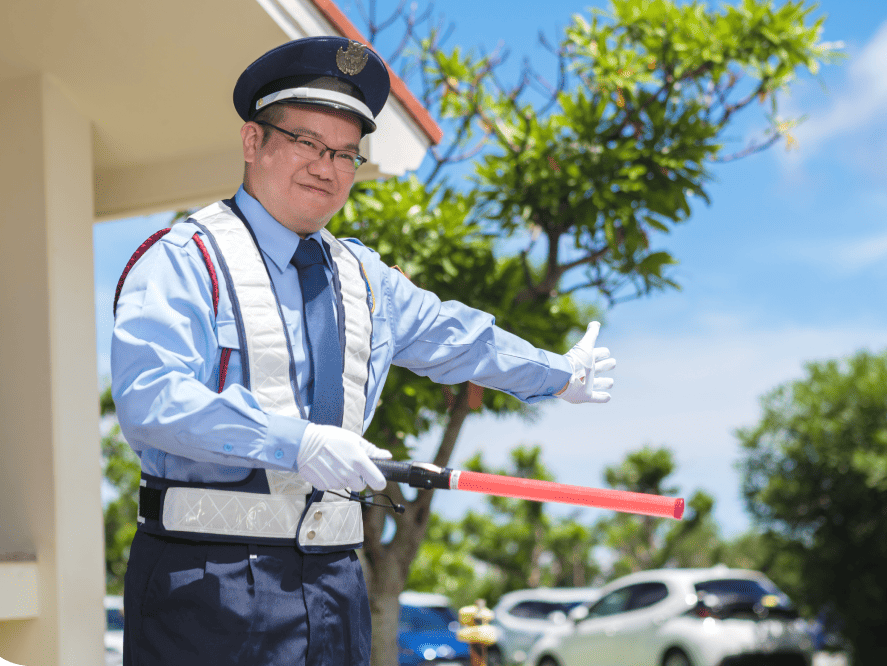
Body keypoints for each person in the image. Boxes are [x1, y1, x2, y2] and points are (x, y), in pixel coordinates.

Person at [111, 36, 616, 666]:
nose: (327, 167)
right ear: (252, 141)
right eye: (306, 142)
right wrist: (297, 442)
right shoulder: (185, 259)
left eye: (346, 153)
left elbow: (456, 336)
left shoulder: (362, 277)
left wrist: (559, 373)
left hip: (336, 583)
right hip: (208, 583)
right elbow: (151, 398)